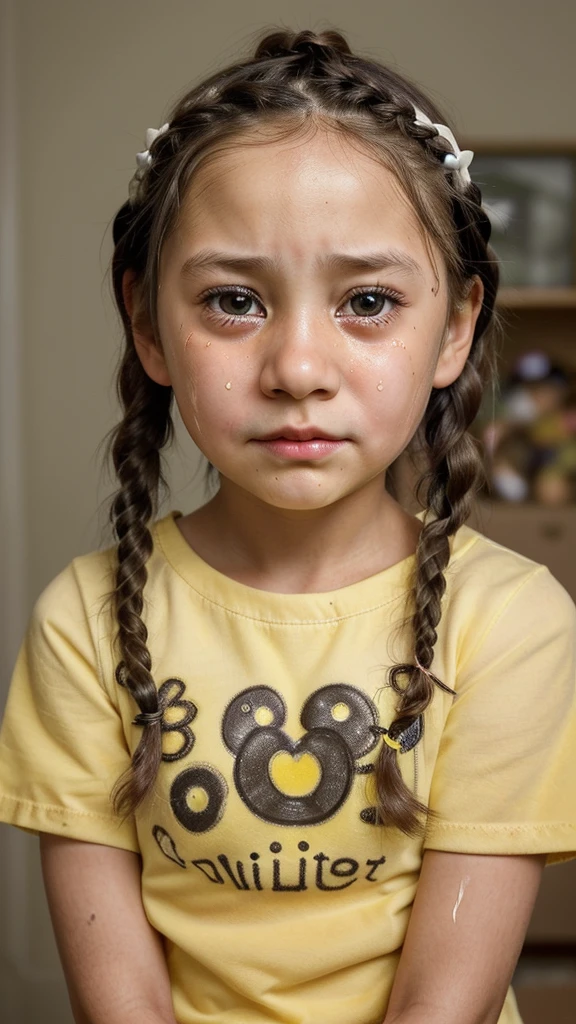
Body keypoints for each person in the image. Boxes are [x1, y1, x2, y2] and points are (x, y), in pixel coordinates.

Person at [0, 26, 575, 1024]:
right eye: (234, 300)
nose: (299, 367)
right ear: (147, 325)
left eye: (366, 301)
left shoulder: (514, 622)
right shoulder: (83, 621)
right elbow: (119, 999)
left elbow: (448, 1000)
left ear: (454, 326)